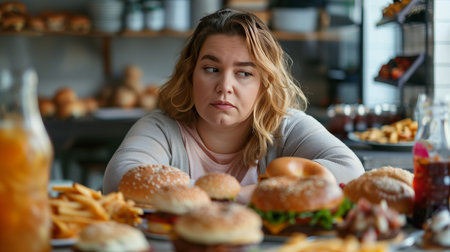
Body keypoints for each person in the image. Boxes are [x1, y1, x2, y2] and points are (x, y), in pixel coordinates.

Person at [103, 8, 365, 204]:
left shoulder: (287, 126)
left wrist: (236, 195)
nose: (224, 85)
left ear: (265, 83)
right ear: (190, 74)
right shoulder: (161, 128)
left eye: (244, 73)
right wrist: (263, 195)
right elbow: (119, 182)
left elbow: (351, 173)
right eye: (211, 69)